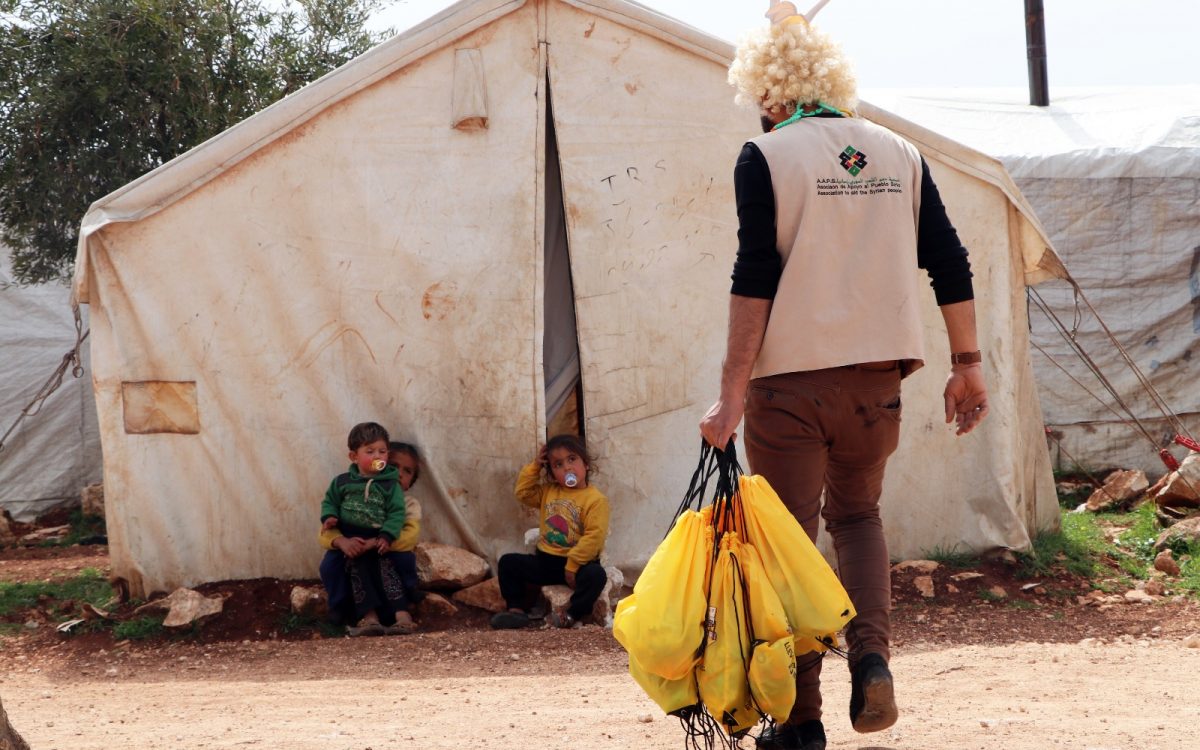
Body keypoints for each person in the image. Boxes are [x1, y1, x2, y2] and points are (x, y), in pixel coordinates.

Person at [699, 4, 989, 749]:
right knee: (857, 518)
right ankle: (872, 659)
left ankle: (802, 722)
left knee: (790, 542)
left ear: (770, 91)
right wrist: (967, 365)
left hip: (790, 387)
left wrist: (731, 391)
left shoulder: (765, 157)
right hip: (875, 385)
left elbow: (755, 273)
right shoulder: (900, 151)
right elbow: (949, 261)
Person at [490, 434, 610, 630]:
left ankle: (571, 615)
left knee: (596, 575)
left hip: (578, 565)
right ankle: (516, 611)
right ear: (553, 473)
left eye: (572, 459)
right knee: (508, 562)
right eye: (558, 464)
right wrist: (536, 466)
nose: (567, 468)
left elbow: (594, 536)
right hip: (546, 561)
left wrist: (573, 565)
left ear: (586, 464)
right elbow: (523, 493)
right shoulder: (549, 491)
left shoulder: (596, 500)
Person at [317, 421, 412, 636]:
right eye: (370, 452)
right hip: (349, 538)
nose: (378, 457)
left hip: (377, 538)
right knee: (331, 568)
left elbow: (397, 513)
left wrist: (386, 536)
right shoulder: (341, 482)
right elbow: (329, 501)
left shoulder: (391, 485)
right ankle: (351, 613)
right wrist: (330, 517)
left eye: (382, 451)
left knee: (388, 568)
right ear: (354, 457)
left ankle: (402, 615)